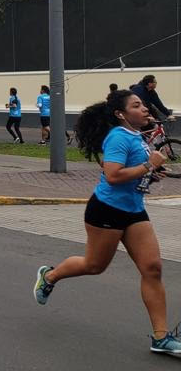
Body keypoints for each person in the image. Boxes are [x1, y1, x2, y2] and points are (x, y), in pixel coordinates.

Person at [33, 89, 181, 355]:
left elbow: (134, 170)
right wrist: (148, 166)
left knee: (152, 268)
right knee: (94, 266)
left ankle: (161, 337)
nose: (145, 109)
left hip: (134, 211)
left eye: (144, 105)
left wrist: (152, 172)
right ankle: (50, 275)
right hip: (107, 211)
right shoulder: (117, 138)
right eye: (137, 105)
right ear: (121, 114)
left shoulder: (136, 136)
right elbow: (112, 176)